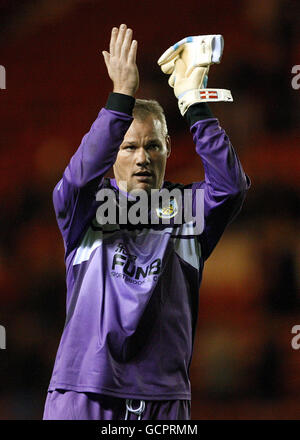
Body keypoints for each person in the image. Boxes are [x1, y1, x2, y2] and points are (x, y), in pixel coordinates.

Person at [43, 24, 251, 420]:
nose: (142, 158)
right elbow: (77, 178)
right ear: (113, 154)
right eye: (130, 147)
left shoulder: (189, 209)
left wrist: (194, 103)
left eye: (153, 146)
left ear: (168, 149)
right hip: (83, 391)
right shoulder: (85, 207)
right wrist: (120, 98)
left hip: (164, 397)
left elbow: (230, 187)